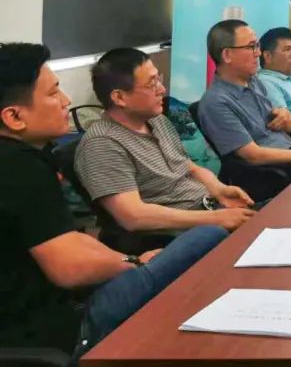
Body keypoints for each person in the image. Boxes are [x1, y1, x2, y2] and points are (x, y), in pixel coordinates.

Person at [0, 42, 226, 357]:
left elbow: (68, 239)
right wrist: (135, 264)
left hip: (56, 309)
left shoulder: (28, 158)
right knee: (209, 236)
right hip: (54, 333)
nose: (66, 100)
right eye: (53, 93)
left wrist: (126, 260)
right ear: (14, 116)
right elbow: (69, 266)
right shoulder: (19, 168)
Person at [75, 47, 256, 238]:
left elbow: (189, 167)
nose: (162, 89)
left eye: (159, 79)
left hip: (210, 211)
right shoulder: (102, 144)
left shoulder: (157, 120)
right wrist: (215, 219)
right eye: (152, 84)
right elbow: (133, 216)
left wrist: (219, 190)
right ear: (120, 97)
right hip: (182, 235)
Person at [198, 20, 291, 198]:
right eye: (251, 47)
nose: (258, 53)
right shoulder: (215, 102)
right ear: (227, 55)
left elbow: (283, 123)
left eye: (257, 46)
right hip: (271, 172)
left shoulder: (253, 82)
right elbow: (254, 155)